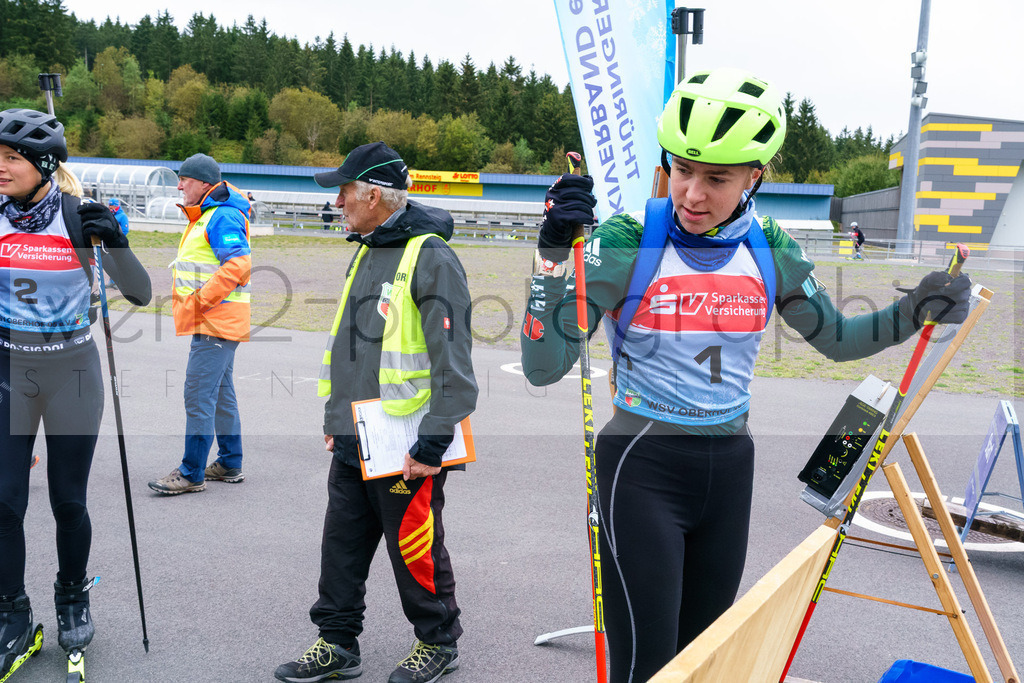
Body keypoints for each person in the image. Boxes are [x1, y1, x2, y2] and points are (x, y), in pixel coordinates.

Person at [519, 68, 972, 683]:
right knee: (647, 667)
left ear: (754, 177)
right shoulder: (630, 238)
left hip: (730, 465)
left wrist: (914, 309)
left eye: (716, 178)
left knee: (708, 661)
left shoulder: (767, 244)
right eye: (682, 170)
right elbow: (545, 367)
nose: (692, 194)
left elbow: (837, 338)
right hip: (641, 466)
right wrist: (551, 255)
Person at [274, 142, 477, 683]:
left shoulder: (430, 255)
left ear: (373, 195)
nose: (337, 201)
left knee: (414, 545)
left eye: (344, 190)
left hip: (407, 443)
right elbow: (350, 345)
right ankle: (337, 643)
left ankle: (438, 641)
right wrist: (334, 420)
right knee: (340, 548)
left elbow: (452, 365)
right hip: (354, 435)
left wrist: (432, 445)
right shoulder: (364, 250)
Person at [0, 108, 151, 679]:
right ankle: (11, 614)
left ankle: (72, 596)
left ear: (43, 164)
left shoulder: (78, 216)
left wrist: (114, 242)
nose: (0, 167)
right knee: (3, 501)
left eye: (11, 158)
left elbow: (139, 292)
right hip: (9, 369)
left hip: (73, 372)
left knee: (69, 501)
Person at [148, 153, 252, 495]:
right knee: (221, 395)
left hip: (215, 322)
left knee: (198, 396)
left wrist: (198, 302)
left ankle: (191, 473)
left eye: (185, 180)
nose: (179, 185)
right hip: (218, 321)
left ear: (204, 184)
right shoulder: (209, 214)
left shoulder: (220, 215)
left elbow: (237, 265)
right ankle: (230, 462)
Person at [105, 198, 129, 287]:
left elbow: (125, 230)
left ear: (116, 206)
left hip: (118, 243)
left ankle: (119, 282)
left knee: (119, 262)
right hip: (110, 243)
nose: (110, 209)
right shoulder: (110, 215)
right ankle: (112, 281)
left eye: (112, 207)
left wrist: (117, 239)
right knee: (111, 262)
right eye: (109, 207)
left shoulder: (122, 216)